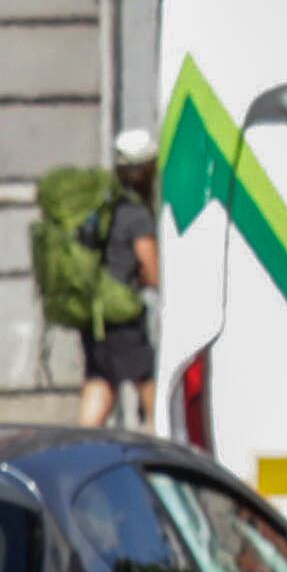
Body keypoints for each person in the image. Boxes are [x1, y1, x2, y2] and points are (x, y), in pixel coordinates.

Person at [76, 126, 164, 430]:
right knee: (148, 382)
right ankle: (164, 446)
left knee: (101, 381)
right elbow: (152, 271)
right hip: (122, 312)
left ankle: (80, 450)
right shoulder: (136, 214)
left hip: (95, 314)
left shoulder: (104, 206)